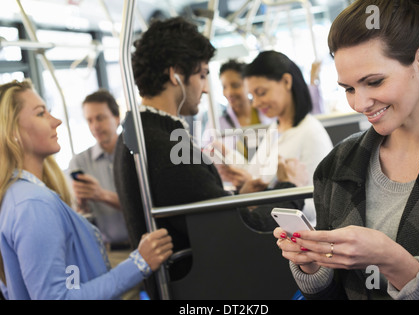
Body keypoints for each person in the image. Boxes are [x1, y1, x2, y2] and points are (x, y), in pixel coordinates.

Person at [274, 0, 419, 300]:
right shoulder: (337, 166)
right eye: (349, 88)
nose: (360, 103)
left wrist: (393, 261)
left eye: (374, 82)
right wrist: (315, 268)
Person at [124, 17, 305, 271]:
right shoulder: (167, 151)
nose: (206, 90)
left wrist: (240, 198)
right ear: (175, 75)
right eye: (202, 75)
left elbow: (203, 212)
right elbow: (238, 232)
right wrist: (292, 191)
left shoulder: (141, 135)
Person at [0, 80, 173, 299]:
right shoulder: (32, 203)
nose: (57, 121)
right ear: (13, 131)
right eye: (41, 113)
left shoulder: (23, 195)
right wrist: (139, 263)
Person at [217, 51, 333, 225]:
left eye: (261, 93)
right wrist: (236, 168)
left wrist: (284, 189)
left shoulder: (311, 133)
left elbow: (321, 205)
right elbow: (258, 174)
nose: (255, 103)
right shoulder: (275, 128)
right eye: (252, 96)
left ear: (286, 81)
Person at [67, 90, 130, 267]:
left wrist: (101, 195)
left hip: (149, 244)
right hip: (111, 255)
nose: (95, 126)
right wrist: (81, 207)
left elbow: (144, 204)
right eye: (90, 120)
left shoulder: (136, 155)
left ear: (117, 118)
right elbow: (80, 218)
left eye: (100, 118)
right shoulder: (79, 162)